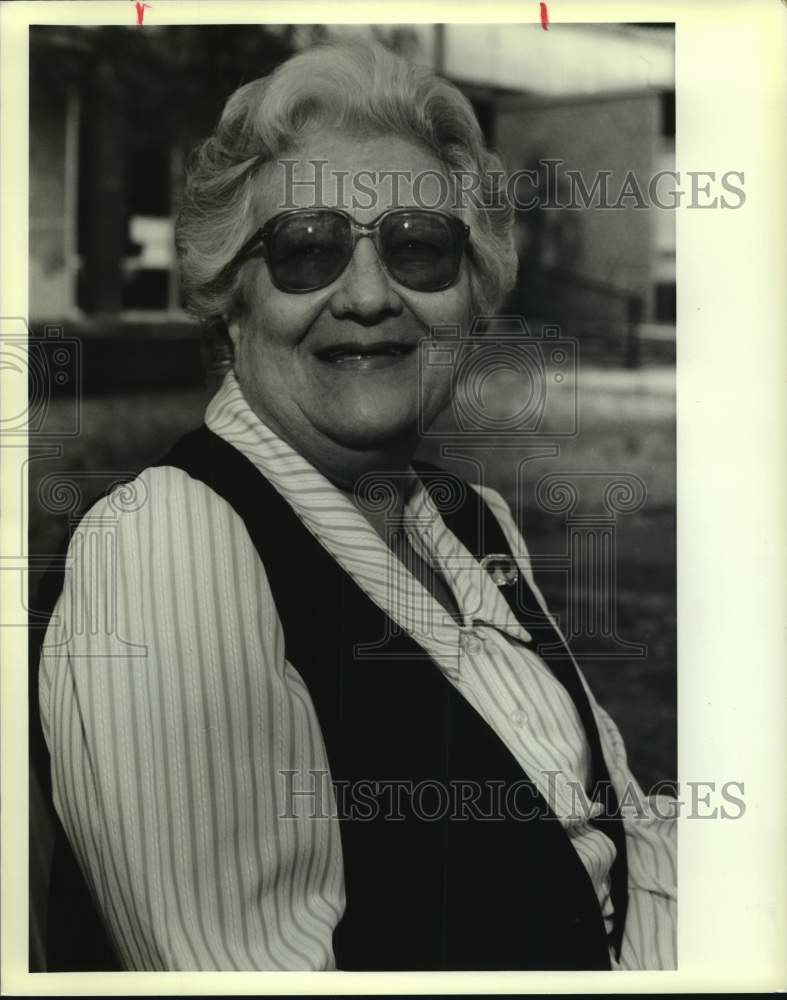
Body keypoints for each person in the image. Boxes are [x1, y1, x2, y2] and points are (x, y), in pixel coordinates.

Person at [35, 41, 676, 972]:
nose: (370, 295)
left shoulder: (470, 521)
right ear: (229, 296)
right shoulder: (168, 547)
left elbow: (626, 844)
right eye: (307, 251)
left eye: (419, 249)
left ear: (472, 291)